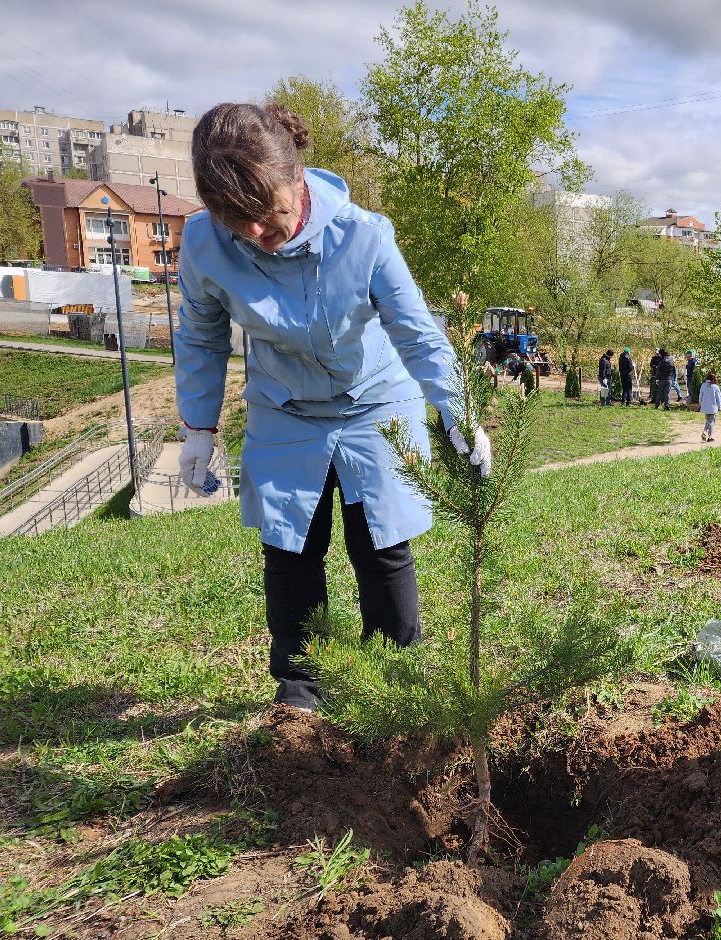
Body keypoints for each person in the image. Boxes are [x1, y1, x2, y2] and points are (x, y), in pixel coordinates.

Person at [173, 102, 490, 714]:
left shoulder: (364, 237)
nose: (258, 236)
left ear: (297, 179)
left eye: (270, 218)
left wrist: (458, 410)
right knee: (290, 546)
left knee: (380, 542)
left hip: (374, 402)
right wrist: (198, 426)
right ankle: (302, 688)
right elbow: (200, 334)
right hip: (284, 406)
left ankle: (394, 674)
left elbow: (416, 332)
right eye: (240, 226)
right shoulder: (203, 244)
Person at [698, 371, 721, 442]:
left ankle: (704, 431)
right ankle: (709, 437)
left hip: (705, 407)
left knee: (708, 421)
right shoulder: (715, 387)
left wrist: (700, 403)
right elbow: (718, 397)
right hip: (713, 407)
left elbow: (700, 395)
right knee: (712, 422)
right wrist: (720, 406)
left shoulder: (703, 385)